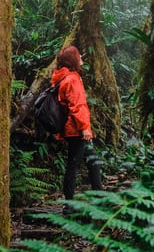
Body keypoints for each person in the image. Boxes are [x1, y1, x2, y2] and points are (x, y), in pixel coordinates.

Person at [51, 45, 103, 210]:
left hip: (71, 128)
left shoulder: (61, 77)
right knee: (73, 165)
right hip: (76, 129)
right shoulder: (72, 79)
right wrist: (84, 128)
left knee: (92, 162)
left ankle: (99, 197)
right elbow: (77, 105)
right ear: (73, 59)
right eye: (79, 56)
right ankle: (69, 205)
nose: (81, 58)